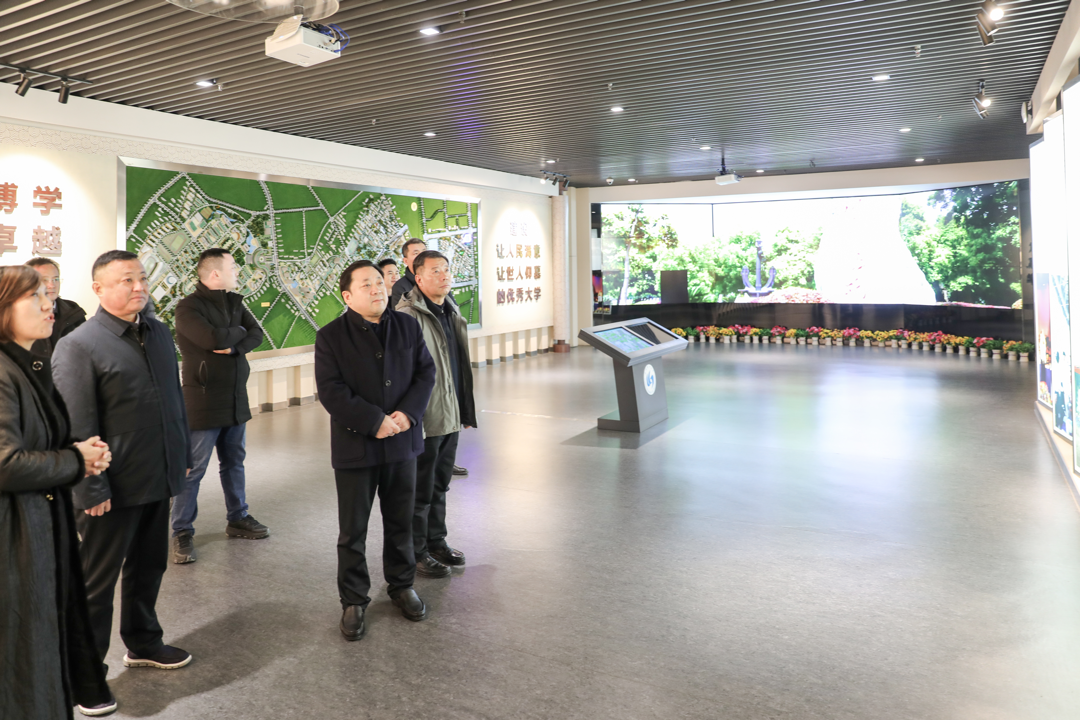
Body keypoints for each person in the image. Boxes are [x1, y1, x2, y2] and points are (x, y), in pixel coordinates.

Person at [52, 250, 193, 674]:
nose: (138, 287)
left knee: (149, 568)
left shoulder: (158, 331)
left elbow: (173, 399)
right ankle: (85, 672)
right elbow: (76, 424)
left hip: (157, 474)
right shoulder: (79, 345)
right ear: (98, 289)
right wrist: (90, 487)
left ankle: (144, 642)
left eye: (142, 278)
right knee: (96, 582)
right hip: (111, 486)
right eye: (126, 280)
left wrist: (181, 455)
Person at [0, 266, 116, 718]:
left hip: (38, 528)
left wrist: (77, 454)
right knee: (24, 653)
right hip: (16, 537)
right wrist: (75, 462)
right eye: (34, 297)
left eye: (48, 294)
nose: (49, 304)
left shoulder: (26, 364)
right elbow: (5, 463)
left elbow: (36, 440)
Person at [315, 259, 436, 640]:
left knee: (401, 522)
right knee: (353, 530)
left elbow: (425, 373)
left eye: (379, 282)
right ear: (347, 296)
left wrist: (408, 414)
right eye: (366, 284)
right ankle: (353, 599)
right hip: (356, 447)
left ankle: (402, 585)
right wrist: (374, 421)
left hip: (402, 441)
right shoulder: (331, 336)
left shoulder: (407, 326)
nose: (377, 289)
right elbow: (331, 390)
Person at [170, 248, 268, 564]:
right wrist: (237, 333)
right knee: (193, 469)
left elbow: (258, 335)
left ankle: (238, 517)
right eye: (232, 266)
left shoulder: (235, 302)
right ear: (215, 273)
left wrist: (235, 345)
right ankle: (181, 530)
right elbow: (212, 339)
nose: (237, 271)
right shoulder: (187, 308)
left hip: (235, 397)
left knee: (234, 461)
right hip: (203, 400)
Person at [396, 251, 477, 578]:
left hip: (450, 411)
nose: (444, 276)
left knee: (440, 484)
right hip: (425, 417)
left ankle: (436, 541)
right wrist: (411, 416)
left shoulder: (449, 309)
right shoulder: (408, 316)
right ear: (418, 278)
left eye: (446, 270)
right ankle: (416, 552)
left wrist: (463, 410)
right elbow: (402, 373)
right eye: (435, 271)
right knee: (420, 488)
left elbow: (457, 365)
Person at [26, 257, 87, 355]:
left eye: (56, 279)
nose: (52, 285)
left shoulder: (73, 310)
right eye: (44, 280)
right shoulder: (18, 315)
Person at [388, 238, 425, 310]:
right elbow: (401, 315)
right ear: (406, 261)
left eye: (424, 252)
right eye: (416, 253)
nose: (422, 257)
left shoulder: (437, 278)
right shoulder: (400, 287)